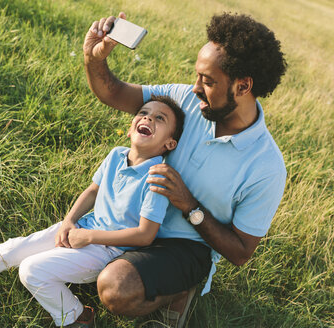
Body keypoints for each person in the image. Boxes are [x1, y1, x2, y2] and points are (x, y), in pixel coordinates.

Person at [83, 11, 288, 327]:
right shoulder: (184, 99)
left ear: (243, 85)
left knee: (115, 288)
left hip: (185, 247)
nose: (194, 88)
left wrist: (190, 206)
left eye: (207, 81)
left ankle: (179, 291)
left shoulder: (266, 166)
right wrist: (94, 58)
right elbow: (113, 91)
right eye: (197, 76)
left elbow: (241, 252)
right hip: (132, 219)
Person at [0, 96, 185, 328]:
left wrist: (90, 237)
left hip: (109, 250)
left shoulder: (158, 177)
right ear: (130, 128)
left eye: (160, 118)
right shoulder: (116, 154)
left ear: (169, 144)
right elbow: (92, 191)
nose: (149, 118)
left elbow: (145, 235)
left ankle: (75, 316)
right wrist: (69, 221)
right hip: (82, 228)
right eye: (144, 113)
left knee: (32, 270)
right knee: (13, 249)